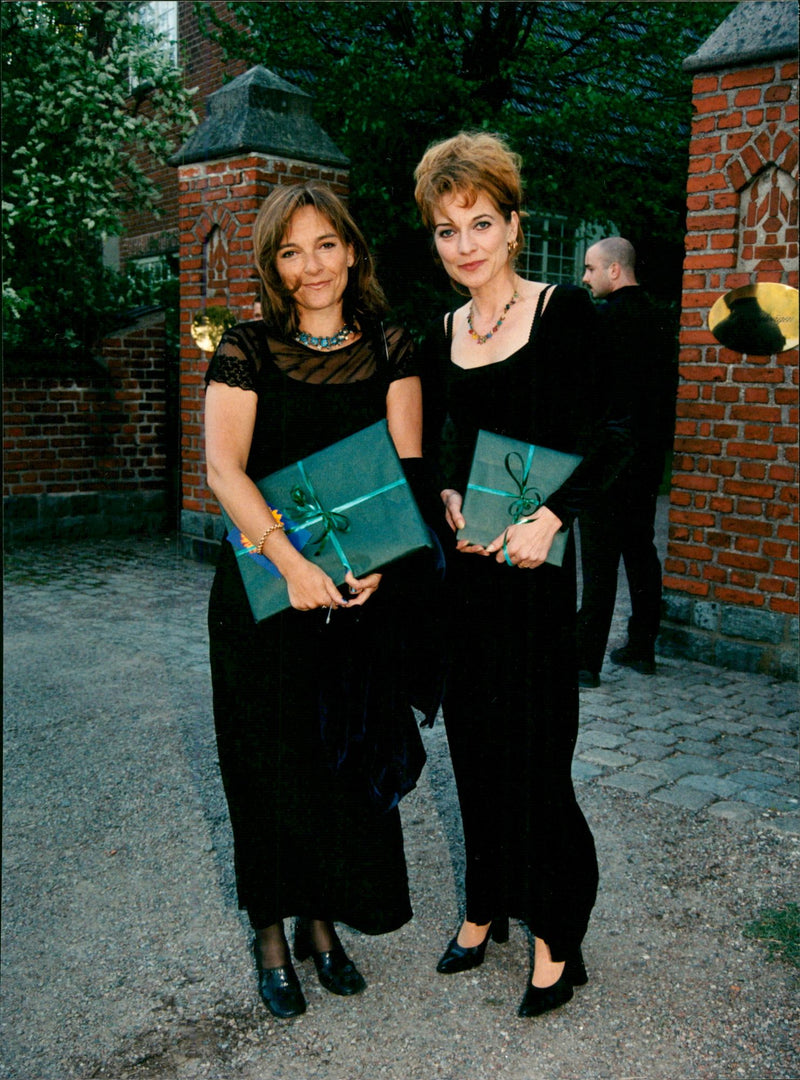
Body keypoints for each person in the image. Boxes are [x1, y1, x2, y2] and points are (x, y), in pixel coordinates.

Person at [414, 132, 630, 1019]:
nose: (463, 244)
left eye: (480, 223)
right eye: (445, 228)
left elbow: (614, 438)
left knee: (539, 761)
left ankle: (556, 934)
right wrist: (449, 495)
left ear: (513, 226)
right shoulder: (441, 333)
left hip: (536, 575)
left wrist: (549, 519)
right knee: (472, 750)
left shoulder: (565, 314)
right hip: (469, 580)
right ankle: (482, 907)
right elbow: (427, 453)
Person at [204, 181, 430, 1019]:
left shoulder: (393, 345)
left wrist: (385, 560)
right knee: (264, 763)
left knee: (333, 762)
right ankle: (270, 931)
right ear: (273, 263)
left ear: (352, 249)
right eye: (291, 251)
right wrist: (290, 564)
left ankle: (320, 924)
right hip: (265, 590)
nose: (310, 266)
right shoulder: (247, 348)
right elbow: (224, 469)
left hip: (353, 592)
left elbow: (405, 466)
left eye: (324, 245)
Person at [576, 237, 677, 687]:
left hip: (607, 459)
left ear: (614, 271)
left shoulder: (600, 323)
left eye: (590, 268)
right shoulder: (660, 320)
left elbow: (590, 396)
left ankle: (584, 662)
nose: (585, 277)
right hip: (647, 459)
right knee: (640, 551)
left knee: (599, 561)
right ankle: (642, 646)